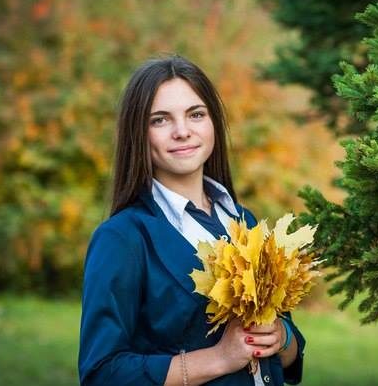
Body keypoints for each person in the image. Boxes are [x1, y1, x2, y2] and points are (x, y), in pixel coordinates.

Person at [78, 55, 305, 386]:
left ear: (213, 122)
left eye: (195, 114)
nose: (182, 131)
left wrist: (282, 337)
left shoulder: (243, 219)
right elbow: (102, 373)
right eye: (160, 120)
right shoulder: (122, 238)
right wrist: (217, 358)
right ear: (137, 134)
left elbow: (287, 351)